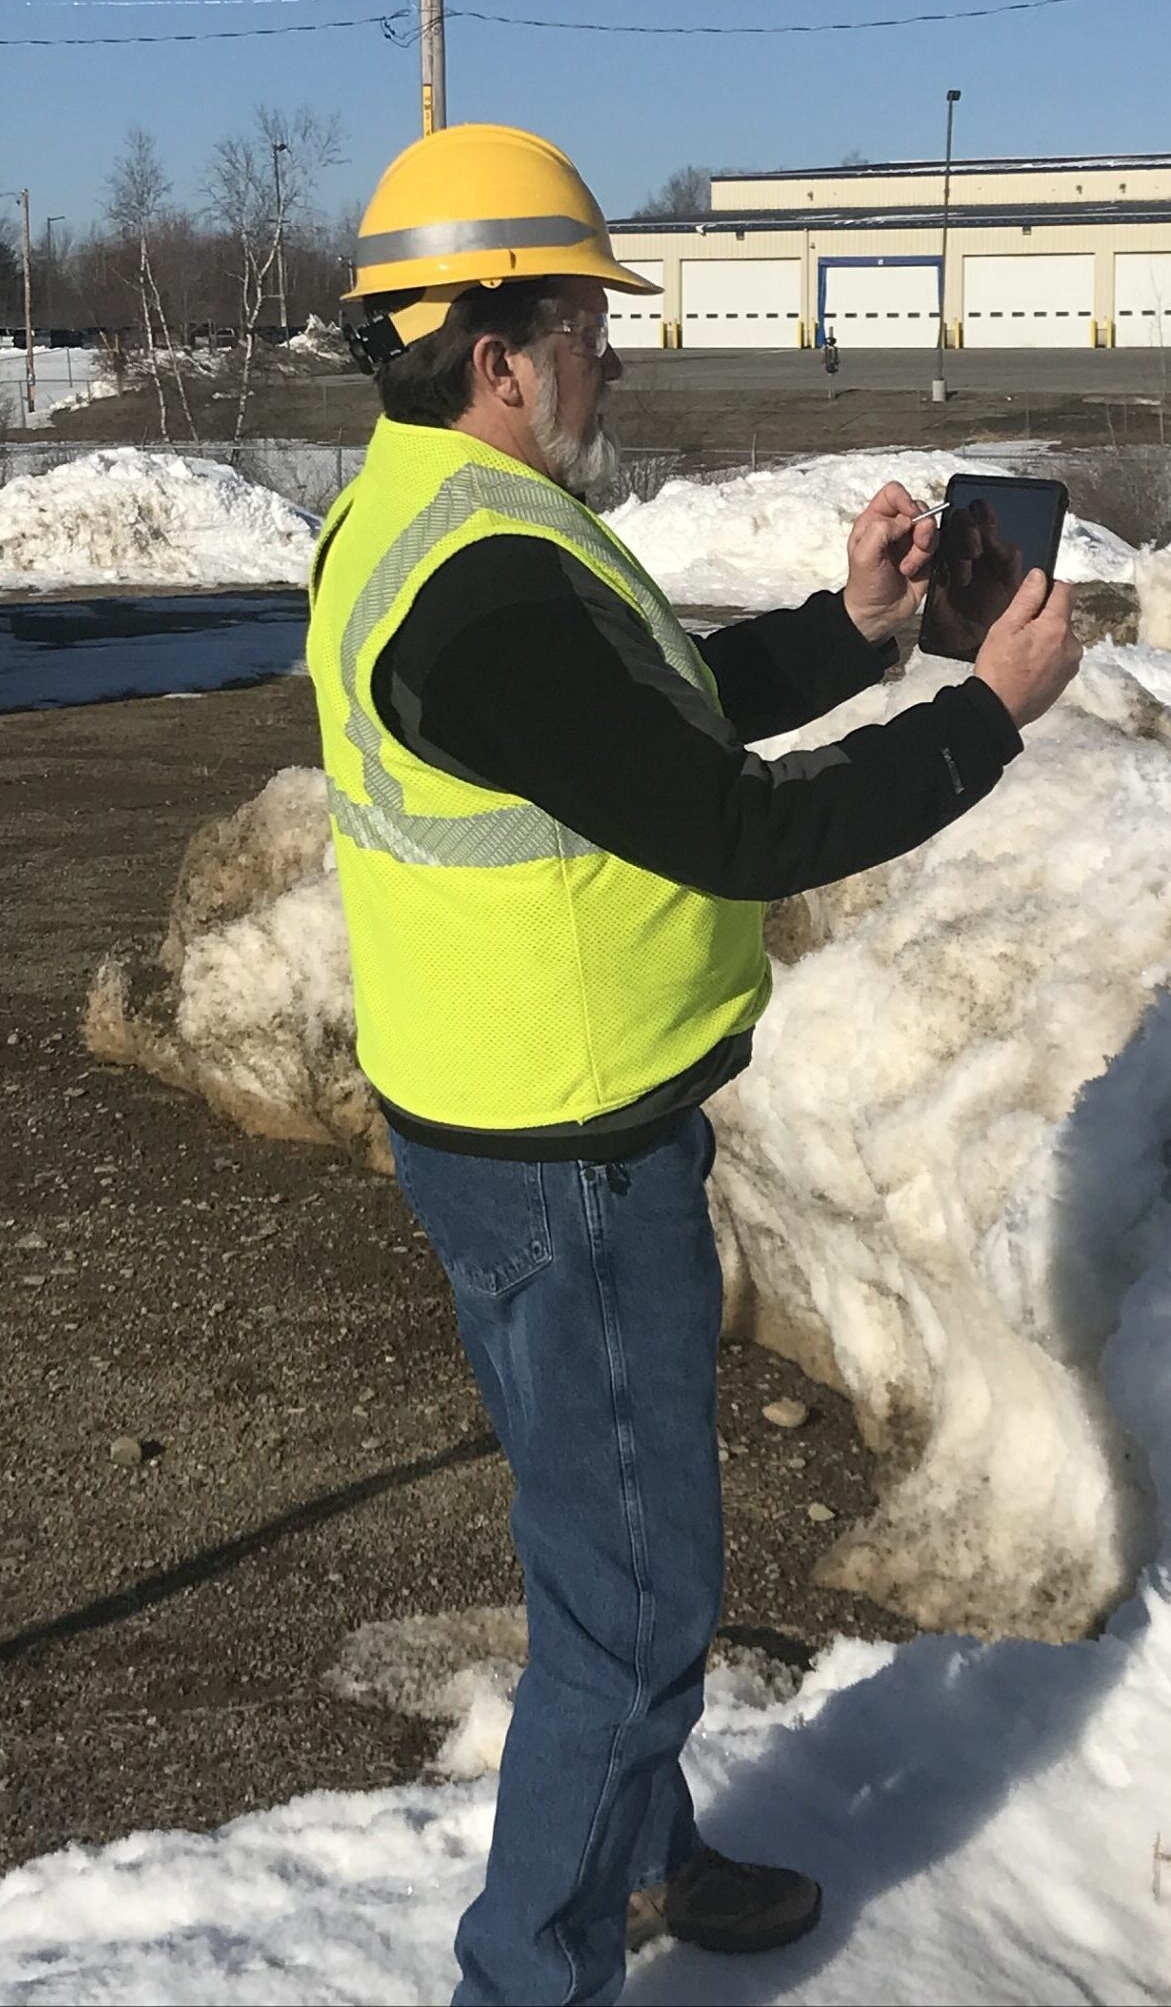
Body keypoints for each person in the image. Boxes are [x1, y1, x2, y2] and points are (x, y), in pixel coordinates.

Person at [306, 123, 1080, 2007]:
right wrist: (985, 717)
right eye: (591, 323)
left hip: (506, 1126)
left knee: (604, 1538)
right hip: (559, 1164)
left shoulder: (431, 518)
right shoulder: (483, 583)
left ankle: (644, 1855)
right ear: (502, 354)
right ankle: (535, 1974)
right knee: (635, 1607)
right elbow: (726, 828)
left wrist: (860, 633)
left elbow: (645, 726)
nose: (614, 359)